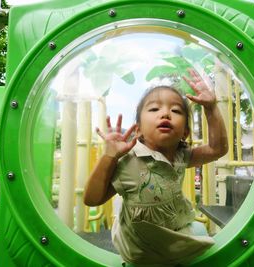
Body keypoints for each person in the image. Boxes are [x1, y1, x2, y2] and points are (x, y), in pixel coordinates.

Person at [84, 69, 228, 266]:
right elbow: (92, 199)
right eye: (154, 109)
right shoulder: (129, 160)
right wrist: (109, 156)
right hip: (138, 246)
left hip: (174, 233)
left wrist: (211, 108)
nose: (166, 114)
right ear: (139, 129)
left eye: (176, 111)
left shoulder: (181, 156)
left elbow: (217, 149)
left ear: (184, 132)